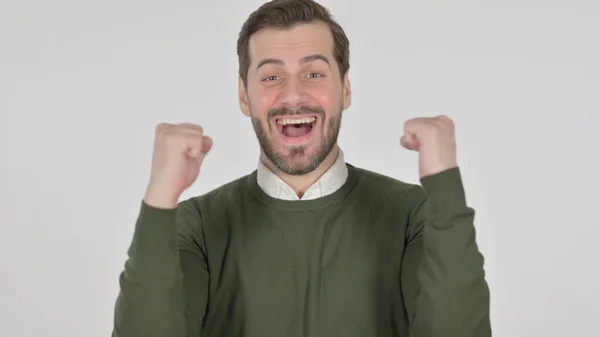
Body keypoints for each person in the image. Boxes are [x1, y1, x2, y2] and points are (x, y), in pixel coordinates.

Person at [111, 0, 491, 336]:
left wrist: (445, 187)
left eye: (313, 74)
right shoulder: (197, 225)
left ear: (345, 88)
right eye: (271, 77)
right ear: (245, 96)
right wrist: (160, 197)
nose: (292, 95)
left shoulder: (413, 214)